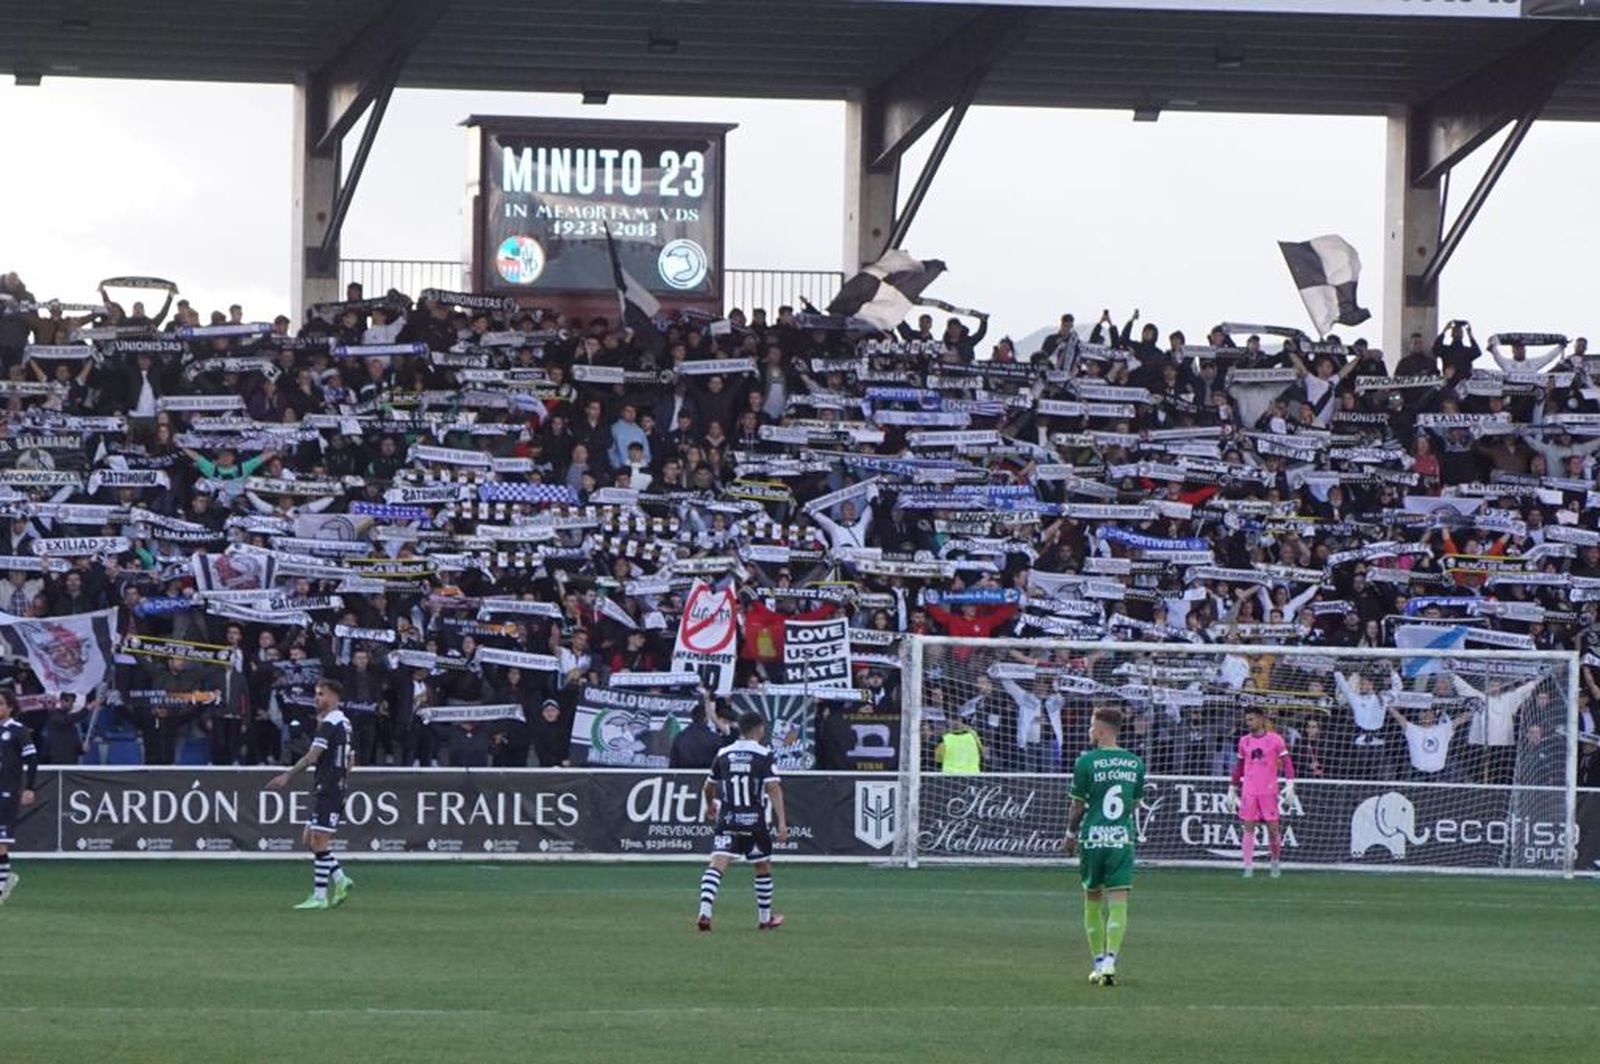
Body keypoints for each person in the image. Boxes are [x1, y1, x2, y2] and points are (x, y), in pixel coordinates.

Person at [1063, 707, 1145, 987]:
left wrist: (1070, 834)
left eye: (1090, 726)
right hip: (1120, 838)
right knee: (1119, 900)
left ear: (1100, 729)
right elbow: (1133, 804)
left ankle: (1098, 963)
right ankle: (1111, 961)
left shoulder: (1086, 762)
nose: (1089, 731)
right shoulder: (1135, 763)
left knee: (1092, 899)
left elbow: (1078, 805)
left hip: (1093, 838)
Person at [696, 710, 788, 932]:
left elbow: (708, 786)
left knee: (717, 863)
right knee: (762, 865)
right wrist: (782, 822)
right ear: (758, 729)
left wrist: (710, 806)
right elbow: (773, 787)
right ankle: (764, 919)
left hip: (728, 817)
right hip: (754, 820)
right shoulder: (764, 754)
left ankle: (705, 912)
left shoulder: (724, 753)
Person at [268, 679, 355, 910]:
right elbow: (351, 760)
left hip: (328, 788)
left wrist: (287, 775)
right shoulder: (345, 723)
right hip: (330, 786)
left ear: (335, 697)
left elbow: (312, 756)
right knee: (309, 839)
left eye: (321, 694)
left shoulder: (330, 723)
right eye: (316, 694)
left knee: (318, 841)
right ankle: (340, 879)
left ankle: (319, 896)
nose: (317, 698)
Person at [1226, 709, 1296, 879]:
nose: (1248, 722)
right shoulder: (1244, 741)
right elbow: (1239, 767)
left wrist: (1290, 783)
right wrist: (1232, 788)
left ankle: (1275, 861)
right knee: (1248, 828)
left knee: (1273, 830)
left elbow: (1287, 763)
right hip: (1249, 790)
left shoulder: (1275, 739)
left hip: (1268, 791)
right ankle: (1248, 867)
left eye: (1251, 719)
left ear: (1261, 720)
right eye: (1247, 720)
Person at [0, 690, 39, 904]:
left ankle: (1, 887)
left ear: (10, 707)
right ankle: (5, 879)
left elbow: (31, 759)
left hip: (7, 792)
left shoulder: (17, 731)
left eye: (1, 704)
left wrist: (29, 787)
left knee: (1, 843)